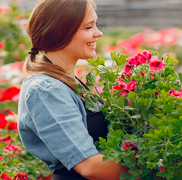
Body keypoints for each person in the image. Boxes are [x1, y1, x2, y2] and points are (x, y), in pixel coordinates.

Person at [17, 0, 137, 179]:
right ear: (59, 32)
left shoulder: (66, 80)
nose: (99, 33)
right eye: (89, 27)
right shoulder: (45, 90)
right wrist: (157, 171)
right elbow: (90, 167)